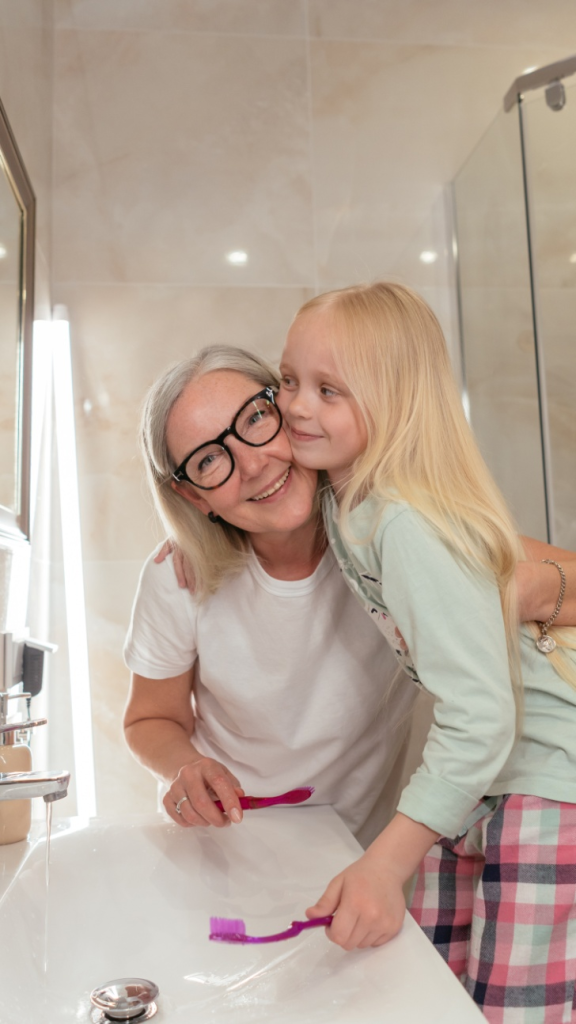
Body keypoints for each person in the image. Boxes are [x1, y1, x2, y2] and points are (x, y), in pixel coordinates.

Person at [123, 345, 574, 856]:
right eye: (208, 460)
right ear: (195, 497)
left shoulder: (396, 533)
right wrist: (186, 767)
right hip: (223, 849)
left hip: (355, 851)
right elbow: (149, 719)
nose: (251, 464)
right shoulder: (177, 578)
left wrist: (520, 591)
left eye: (254, 418)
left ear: (291, 412)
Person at [278, 281, 576, 1022]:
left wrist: (386, 858)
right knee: (441, 992)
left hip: (547, 778)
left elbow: (479, 713)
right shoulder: (348, 501)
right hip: (484, 779)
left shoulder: (404, 520)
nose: (296, 407)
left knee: (510, 1009)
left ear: (395, 401)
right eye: (288, 380)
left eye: (329, 390)